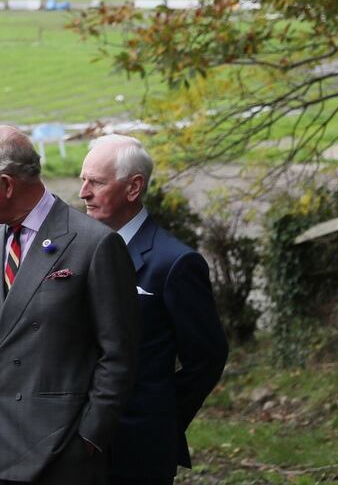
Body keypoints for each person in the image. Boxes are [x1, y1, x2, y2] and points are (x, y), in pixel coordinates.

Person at [0, 123, 139, 485]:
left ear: (7, 185)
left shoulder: (94, 244)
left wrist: (88, 438)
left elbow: (119, 353)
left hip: (56, 456)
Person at [79, 135, 229, 485]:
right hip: (70, 443)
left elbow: (207, 358)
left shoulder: (175, 263)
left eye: (96, 182)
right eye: (82, 179)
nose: (84, 192)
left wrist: (158, 417)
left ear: (134, 188)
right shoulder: (75, 248)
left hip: (137, 450)